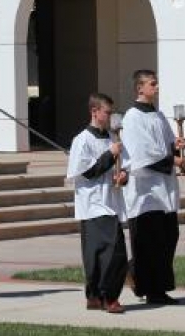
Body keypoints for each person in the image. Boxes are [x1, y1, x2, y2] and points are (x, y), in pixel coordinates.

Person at [122, 69, 185, 305]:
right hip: (145, 192)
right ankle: (150, 289)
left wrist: (177, 146)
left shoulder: (158, 115)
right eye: (152, 84)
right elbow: (141, 155)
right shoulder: (132, 118)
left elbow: (167, 145)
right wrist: (173, 159)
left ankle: (157, 285)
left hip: (164, 189)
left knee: (169, 237)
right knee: (150, 241)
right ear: (140, 88)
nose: (156, 88)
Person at [67, 93, 130, 314]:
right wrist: (109, 155)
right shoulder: (82, 140)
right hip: (92, 203)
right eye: (107, 112)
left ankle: (99, 295)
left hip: (111, 201)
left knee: (113, 253)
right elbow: (87, 172)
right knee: (101, 254)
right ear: (95, 112)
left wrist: (123, 175)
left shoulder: (113, 138)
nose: (110, 116)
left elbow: (124, 166)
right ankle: (103, 296)